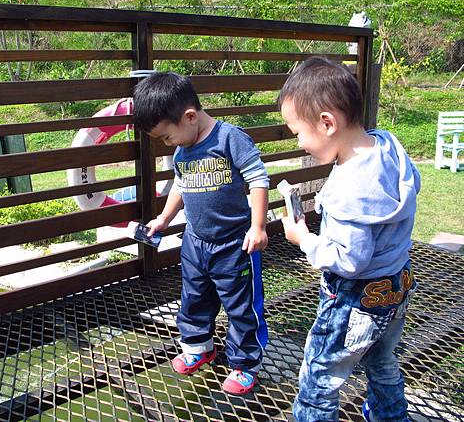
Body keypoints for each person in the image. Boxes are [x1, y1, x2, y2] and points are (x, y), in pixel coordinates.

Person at [279, 57, 420, 421]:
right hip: (396, 285)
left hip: (355, 299)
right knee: (381, 360)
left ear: (327, 123)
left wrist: (303, 238)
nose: (299, 143)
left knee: (319, 376)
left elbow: (350, 261)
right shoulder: (387, 146)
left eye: (297, 132)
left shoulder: (347, 189)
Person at [132, 72, 270, 395]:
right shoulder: (182, 152)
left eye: (166, 137)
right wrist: (163, 219)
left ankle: (245, 363)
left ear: (190, 117)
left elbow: (259, 180)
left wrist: (258, 226)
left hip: (235, 244)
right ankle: (198, 346)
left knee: (242, 305)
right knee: (193, 298)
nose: (167, 144)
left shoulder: (229, 139)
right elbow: (180, 186)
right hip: (195, 243)